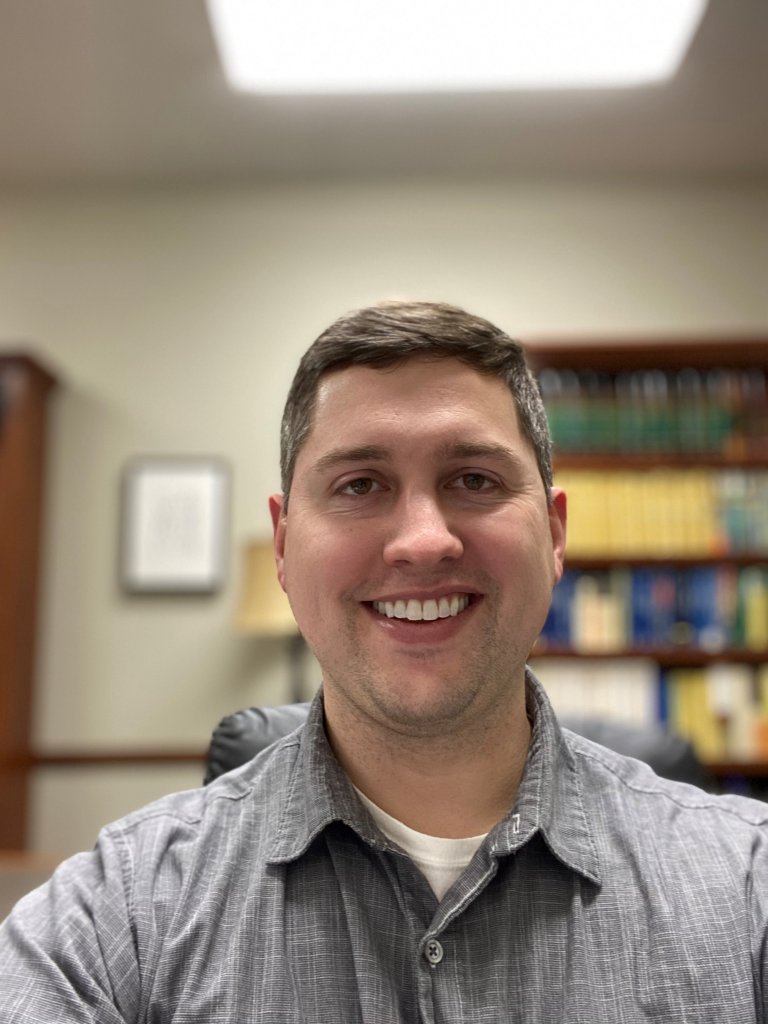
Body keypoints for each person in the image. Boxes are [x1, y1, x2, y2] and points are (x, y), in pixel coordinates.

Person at [1, 300, 767, 1022]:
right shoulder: (118, 916)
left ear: (555, 533)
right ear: (283, 542)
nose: (424, 539)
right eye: (360, 484)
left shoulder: (748, 888)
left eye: (474, 479)